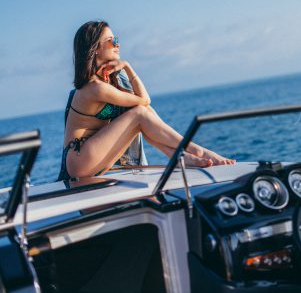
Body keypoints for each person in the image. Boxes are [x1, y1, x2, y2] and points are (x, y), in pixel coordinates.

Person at [61, 20, 234, 180]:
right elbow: (144, 99)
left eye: (117, 40)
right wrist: (127, 66)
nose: (117, 45)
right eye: (111, 41)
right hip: (80, 159)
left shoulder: (106, 81)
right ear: (96, 48)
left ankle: (181, 156)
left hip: (93, 157)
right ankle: (198, 151)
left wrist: (124, 69)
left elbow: (143, 104)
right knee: (139, 114)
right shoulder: (96, 87)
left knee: (140, 113)